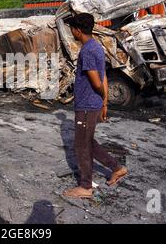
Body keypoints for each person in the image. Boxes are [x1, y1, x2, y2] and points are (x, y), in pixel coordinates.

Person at [63, 13, 127, 199]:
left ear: (77, 30)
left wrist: (101, 95)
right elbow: (104, 76)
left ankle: (85, 187)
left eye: (72, 29)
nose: (72, 32)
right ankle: (117, 168)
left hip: (86, 104)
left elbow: (96, 80)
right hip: (94, 104)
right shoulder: (96, 46)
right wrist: (104, 102)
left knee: (82, 145)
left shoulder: (87, 51)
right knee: (87, 141)